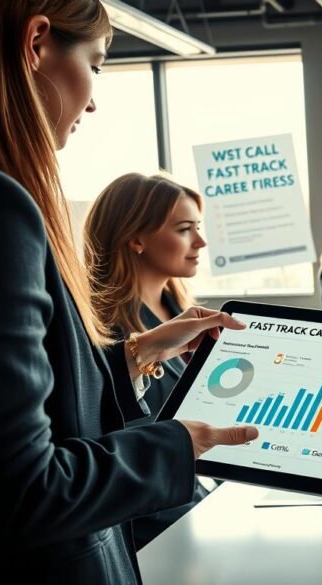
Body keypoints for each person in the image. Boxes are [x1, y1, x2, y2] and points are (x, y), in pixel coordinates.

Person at [0, 2, 258, 583]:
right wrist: (175, 446)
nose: (91, 101)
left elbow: (47, 411)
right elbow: (26, 490)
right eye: (97, 64)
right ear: (37, 44)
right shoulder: (0, 208)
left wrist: (139, 353)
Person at [83, 172, 212, 548]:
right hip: (153, 522)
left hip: (197, 494)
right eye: (185, 229)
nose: (200, 242)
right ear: (136, 237)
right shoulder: (101, 329)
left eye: (198, 228)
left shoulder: (181, 313)